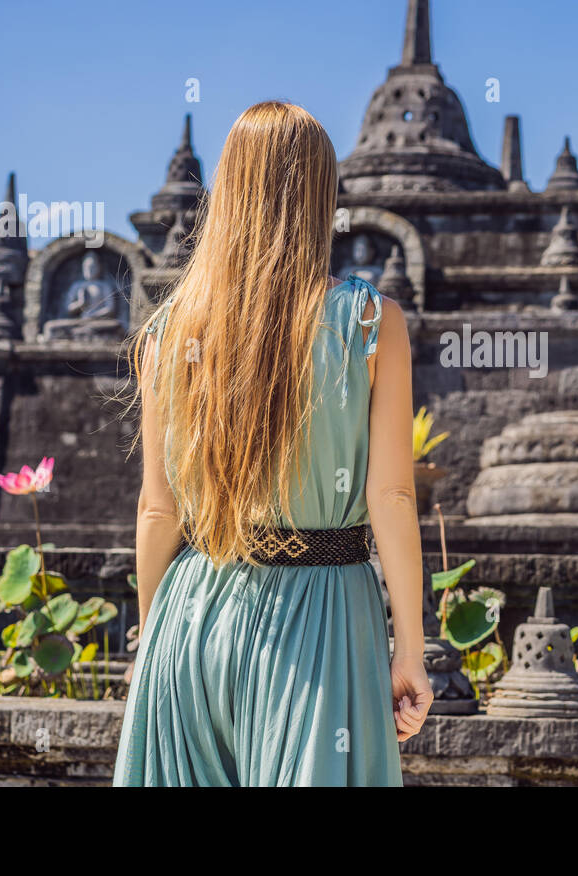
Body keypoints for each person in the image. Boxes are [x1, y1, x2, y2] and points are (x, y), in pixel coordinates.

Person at [114, 101, 430, 786]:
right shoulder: (370, 320)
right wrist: (410, 649)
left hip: (190, 615)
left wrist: (152, 641)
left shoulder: (172, 329)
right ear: (323, 193)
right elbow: (393, 494)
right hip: (321, 614)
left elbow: (157, 511)